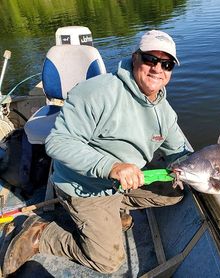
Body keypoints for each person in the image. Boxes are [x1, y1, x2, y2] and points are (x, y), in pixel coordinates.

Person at [2, 30, 191, 275]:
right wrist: (112, 167)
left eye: (166, 64)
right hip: (84, 185)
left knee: (176, 191)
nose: (157, 69)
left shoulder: (164, 112)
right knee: (108, 261)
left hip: (120, 186)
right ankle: (41, 234)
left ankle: (114, 210)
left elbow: (181, 154)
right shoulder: (96, 92)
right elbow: (58, 143)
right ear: (135, 58)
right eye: (150, 60)